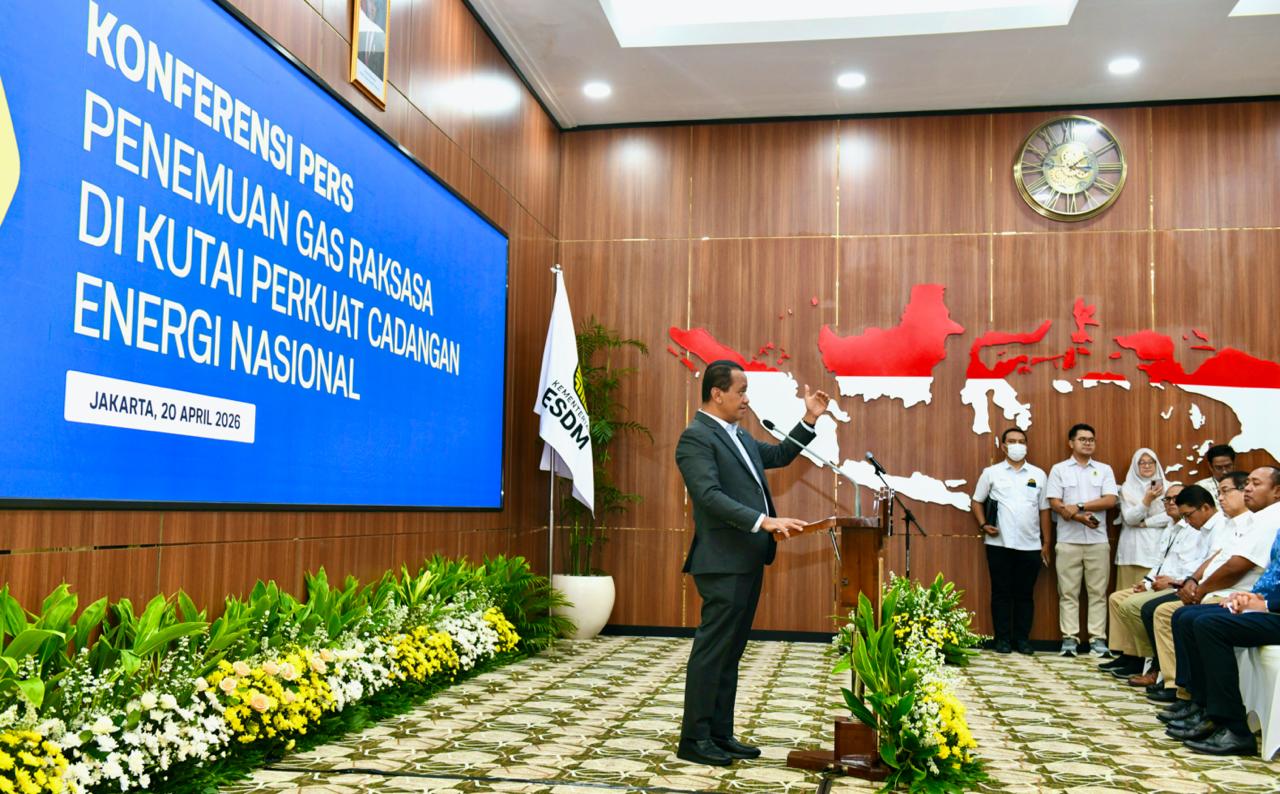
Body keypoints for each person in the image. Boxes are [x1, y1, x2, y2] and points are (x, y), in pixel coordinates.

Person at [675, 359, 830, 767]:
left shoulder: (739, 436)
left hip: (746, 559)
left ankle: (719, 734)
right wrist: (764, 521)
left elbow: (779, 454)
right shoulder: (696, 438)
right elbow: (708, 496)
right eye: (741, 391)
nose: (746, 399)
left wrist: (809, 418)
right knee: (713, 652)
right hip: (721, 561)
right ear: (717, 393)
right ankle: (694, 738)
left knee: (730, 652)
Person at [1162, 467, 1280, 755]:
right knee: (1190, 617)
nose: (1247, 488)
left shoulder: (1270, 520)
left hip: (1275, 613)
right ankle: (1205, 708)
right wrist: (1252, 597)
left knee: (1209, 625)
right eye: (1247, 483)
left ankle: (1233, 727)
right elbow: (1273, 576)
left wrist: (1264, 604)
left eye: (1255, 483)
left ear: (1277, 492)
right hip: (1268, 607)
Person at [1099, 482, 1200, 679]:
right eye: (1167, 499)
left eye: (1176, 499)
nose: (1171, 503)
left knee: (1133, 605)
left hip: (1177, 585)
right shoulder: (1170, 527)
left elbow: (1194, 568)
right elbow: (1159, 562)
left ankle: (1151, 660)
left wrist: (1171, 582)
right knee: (1117, 598)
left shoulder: (1193, 529)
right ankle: (1130, 654)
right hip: (1160, 583)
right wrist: (1146, 583)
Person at [972, 428, 1050, 655]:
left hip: (1031, 544)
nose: (1017, 445)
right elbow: (976, 501)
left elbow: (1044, 510)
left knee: (1025, 594)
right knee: (1001, 592)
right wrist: (983, 524)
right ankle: (1003, 639)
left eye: (1021, 441)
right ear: (1004, 446)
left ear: (1027, 445)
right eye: (1012, 441)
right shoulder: (991, 473)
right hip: (999, 544)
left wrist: (1046, 542)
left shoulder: (1038, 474)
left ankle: (1022, 640)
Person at [1047, 423, 1119, 657]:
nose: (1088, 443)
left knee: (1098, 593)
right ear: (1071, 443)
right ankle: (1069, 639)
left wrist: (1078, 506)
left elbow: (1110, 500)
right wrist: (1077, 517)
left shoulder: (1104, 469)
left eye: (1091, 439)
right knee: (1068, 593)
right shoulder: (1059, 469)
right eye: (1082, 439)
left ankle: (1098, 639)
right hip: (1068, 540)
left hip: (1097, 540)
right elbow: (1055, 502)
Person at [1115, 448, 1172, 589]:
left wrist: (1146, 523)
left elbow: (1171, 515)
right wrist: (1147, 500)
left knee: (1149, 594)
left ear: (1156, 464)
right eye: (1142, 463)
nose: (1147, 466)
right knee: (1125, 595)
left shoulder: (1169, 487)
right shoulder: (1127, 488)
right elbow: (1130, 519)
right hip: (1131, 551)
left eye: (1150, 462)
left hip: (1156, 548)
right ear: (1135, 465)